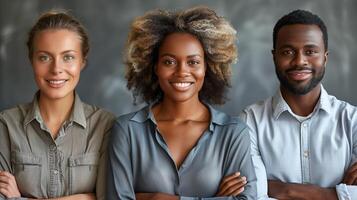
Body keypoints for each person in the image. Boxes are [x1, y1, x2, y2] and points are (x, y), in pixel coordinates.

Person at [106, 6, 257, 200]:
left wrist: (156, 199)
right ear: (155, 67)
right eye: (169, 62)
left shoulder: (233, 132)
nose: (181, 72)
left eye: (193, 62)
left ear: (207, 67)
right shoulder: (127, 130)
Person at [240, 9, 357, 200]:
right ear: (274, 56)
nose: (299, 61)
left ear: (325, 58)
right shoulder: (250, 121)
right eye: (288, 52)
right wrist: (339, 194)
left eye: (310, 51)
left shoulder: (352, 121)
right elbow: (253, 196)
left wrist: (284, 190)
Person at [0, 11, 115, 200]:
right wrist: (86, 197)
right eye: (44, 57)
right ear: (32, 61)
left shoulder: (105, 125)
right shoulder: (6, 124)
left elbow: (108, 198)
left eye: (68, 57)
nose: (56, 69)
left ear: (82, 62)